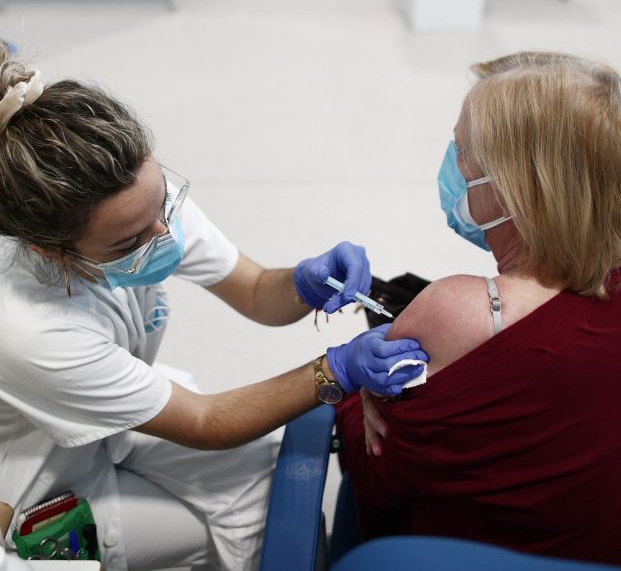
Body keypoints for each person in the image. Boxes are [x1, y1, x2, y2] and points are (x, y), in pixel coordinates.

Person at [0, 46, 429, 571]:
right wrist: (335, 369)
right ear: (50, 249)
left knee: (272, 484)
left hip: (120, 416)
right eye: (130, 241)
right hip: (34, 471)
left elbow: (251, 290)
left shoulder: (132, 196)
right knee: (258, 527)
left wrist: (301, 283)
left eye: (162, 206)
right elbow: (204, 422)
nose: (163, 234)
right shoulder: (25, 325)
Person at [335, 52, 621, 564]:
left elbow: (376, 472)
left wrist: (351, 386)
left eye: (464, 151)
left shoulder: (461, 312)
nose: (452, 163)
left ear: (517, 188)